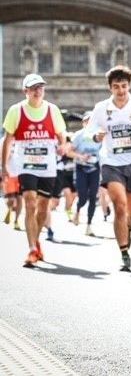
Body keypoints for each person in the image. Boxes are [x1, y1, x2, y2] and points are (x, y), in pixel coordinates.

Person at [87, 65, 131, 271]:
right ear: (110, 88)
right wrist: (95, 135)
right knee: (120, 205)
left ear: (129, 86)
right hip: (111, 161)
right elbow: (89, 129)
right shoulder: (101, 108)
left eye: (124, 86)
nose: (120, 90)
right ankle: (124, 252)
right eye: (116, 86)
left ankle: (127, 227)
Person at [1, 73, 67, 266]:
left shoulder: (52, 110)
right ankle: (31, 249)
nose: (38, 91)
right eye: (34, 88)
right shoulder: (16, 110)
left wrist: (62, 145)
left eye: (41, 87)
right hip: (26, 165)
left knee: (43, 209)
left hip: (47, 166)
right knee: (30, 202)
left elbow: (61, 135)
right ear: (26, 91)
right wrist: (4, 166)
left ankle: (36, 242)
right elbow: (8, 140)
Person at [68, 112, 102, 236]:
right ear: (83, 123)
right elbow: (69, 152)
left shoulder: (99, 136)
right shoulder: (79, 135)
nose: (90, 123)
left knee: (93, 197)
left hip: (95, 169)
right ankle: (77, 210)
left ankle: (89, 225)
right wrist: (81, 156)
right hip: (81, 168)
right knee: (82, 197)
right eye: (87, 121)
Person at [0, 137, 23, 231]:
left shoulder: (22, 137)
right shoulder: (4, 140)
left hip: (22, 173)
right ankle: (10, 209)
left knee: (20, 198)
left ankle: (16, 220)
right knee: (11, 199)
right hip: (9, 173)